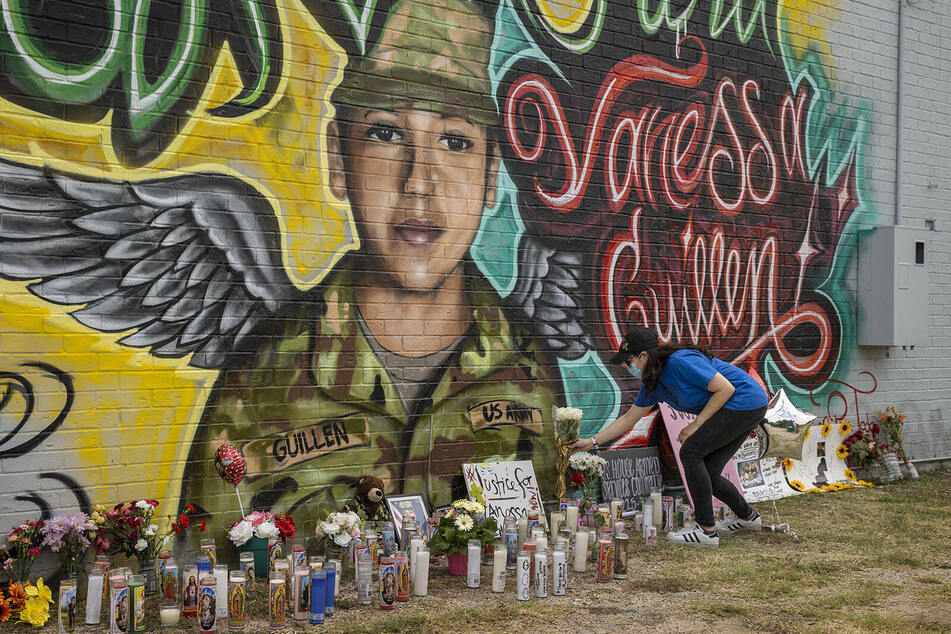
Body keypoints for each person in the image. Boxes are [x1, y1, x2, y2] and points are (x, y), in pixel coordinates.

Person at [183, 0, 559, 520]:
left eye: (455, 141)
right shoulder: (263, 378)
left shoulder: (528, 367)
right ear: (339, 159)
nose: (419, 182)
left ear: (491, 174)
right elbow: (213, 557)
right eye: (386, 133)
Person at [572, 326, 768, 546]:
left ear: (643, 356)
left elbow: (725, 389)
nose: (629, 367)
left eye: (629, 361)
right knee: (709, 472)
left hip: (745, 401)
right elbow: (628, 420)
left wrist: (695, 425)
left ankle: (706, 531)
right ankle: (748, 517)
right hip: (744, 405)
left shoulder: (679, 362)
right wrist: (591, 442)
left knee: (691, 453)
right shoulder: (653, 383)